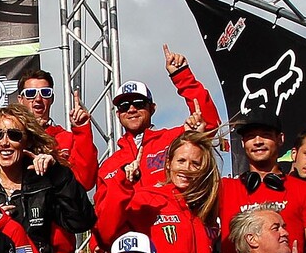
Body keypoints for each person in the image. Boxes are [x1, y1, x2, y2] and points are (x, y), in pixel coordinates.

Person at [0, 107, 95, 253]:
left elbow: (81, 221)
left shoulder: (44, 179)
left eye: (14, 135)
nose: (5, 142)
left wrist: (58, 173)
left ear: (27, 140)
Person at [97, 133, 219, 253]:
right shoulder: (148, 199)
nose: (187, 168)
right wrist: (122, 183)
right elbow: (106, 232)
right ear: (168, 163)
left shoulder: (205, 209)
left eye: (196, 164)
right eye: (181, 161)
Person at [94, 56, 220, 209]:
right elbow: (102, 214)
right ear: (118, 114)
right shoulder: (108, 166)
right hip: (135, 231)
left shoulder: (175, 139)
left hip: (176, 227)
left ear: (152, 108)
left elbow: (208, 123)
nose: (132, 109)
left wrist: (182, 76)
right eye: (124, 106)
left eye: (139, 103)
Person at [219, 110, 306, 253]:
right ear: (243, 142)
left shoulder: (304, 191)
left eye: (265, 134)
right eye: (251, 136)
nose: (258, 141)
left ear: (280, 139)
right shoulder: (224, 189)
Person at [17, 68, 99, 188]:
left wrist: (82, 130)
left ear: (52, 99)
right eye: (30, 93)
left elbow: (85, 182)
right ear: (20, 100)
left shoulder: (67, 138)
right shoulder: (10, 137)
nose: (38, 99)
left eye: (45, 93)